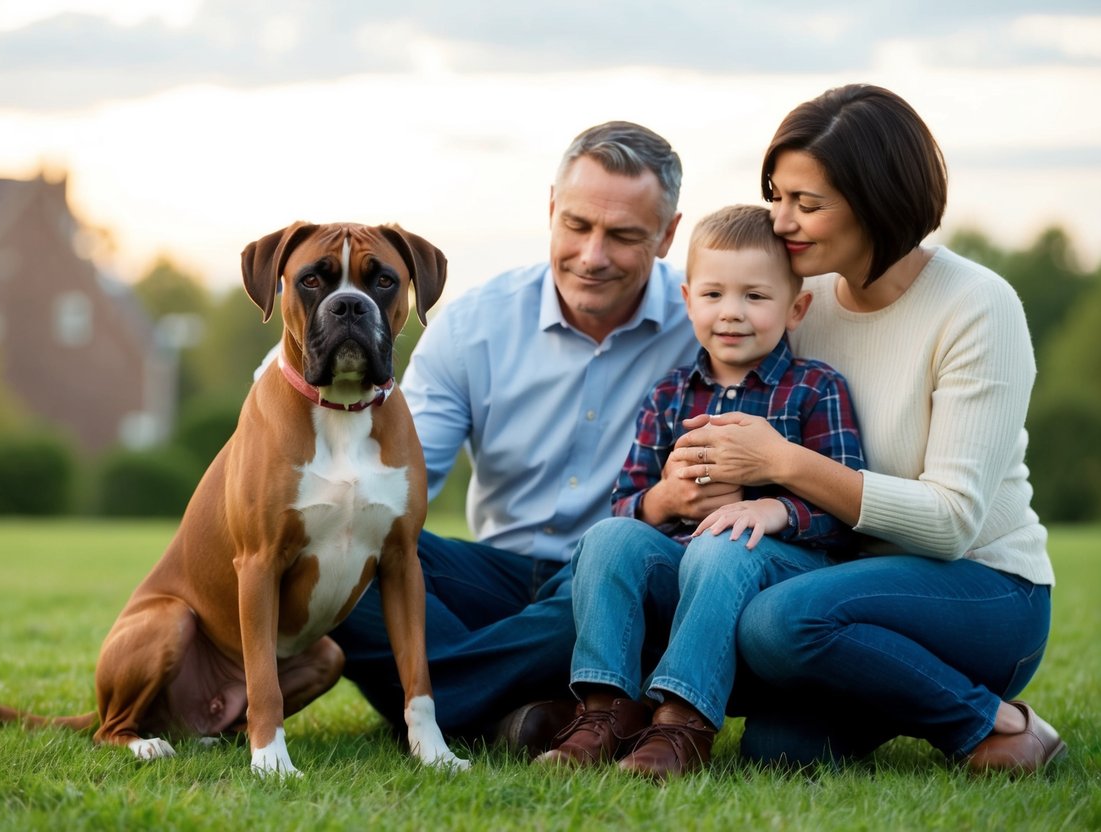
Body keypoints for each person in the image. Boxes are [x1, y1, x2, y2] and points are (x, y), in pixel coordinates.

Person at [679, 84, 1063, 774]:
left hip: (982, 588)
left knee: (777, 623)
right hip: (845, 586)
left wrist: (782, 463)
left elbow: (951, 522)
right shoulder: (800, 297)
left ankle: (997, 724)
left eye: (806, 203)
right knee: (778, 753)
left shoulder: (976, 307)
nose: (780, 220)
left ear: (875, 200)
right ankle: (888, 691)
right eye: (776, 195)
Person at [319, 121, 743, 741]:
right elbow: (396, 475)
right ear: (551, 208)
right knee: (340, 552)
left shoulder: (708, 328)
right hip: (494, 576)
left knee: (629, 600)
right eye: (577, 225)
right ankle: (516, 708)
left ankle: (441, 706)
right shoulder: (474, 324)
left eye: (623, 235)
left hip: (614, 585)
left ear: (667, 235)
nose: (592, 256)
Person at [535, 204, 865, 779]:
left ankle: (682, 724)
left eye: (755, 297)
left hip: (780, 573)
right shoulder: (669, 396)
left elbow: (847, 510)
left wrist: (776, 509)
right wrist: (666, 499)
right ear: (688, 301)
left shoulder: (815, 389)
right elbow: (626, 503)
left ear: (796, 307)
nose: (731, 313)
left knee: (724, 541)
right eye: (713, 295)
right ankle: (605, 712)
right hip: (683, 563)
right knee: (610, 537)